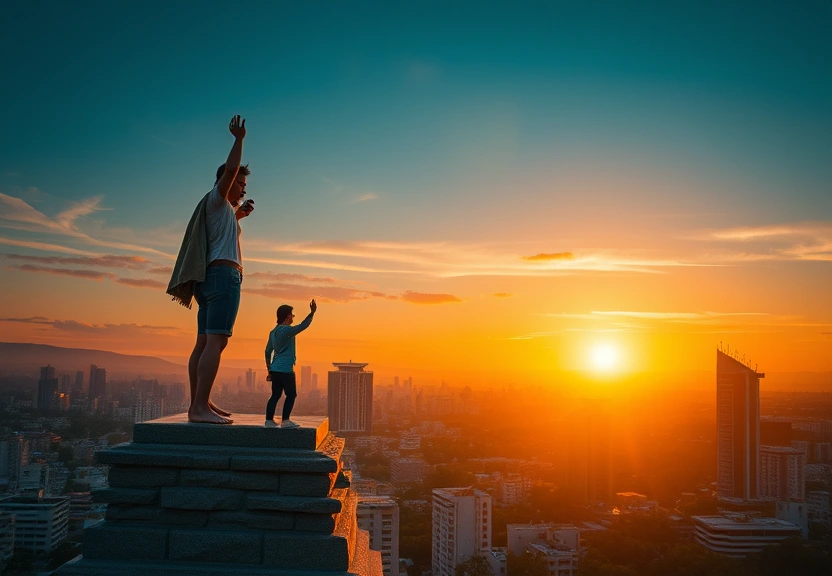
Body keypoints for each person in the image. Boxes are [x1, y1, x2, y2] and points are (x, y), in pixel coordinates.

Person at [167, 115, 254, 424]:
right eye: (240, 184)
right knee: (217, 341)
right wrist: (239, 139)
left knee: (204, 342)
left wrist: (239, 216)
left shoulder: (222, 210)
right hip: (223, 279)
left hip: (209, 280)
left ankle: (200, 402)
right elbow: (230, 170)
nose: (242, 189)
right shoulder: (216, 199)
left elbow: (220, 236)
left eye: (244, 186)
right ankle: (199, 408)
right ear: (225, 182)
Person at [264, 299, 317, 428]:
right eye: (292, 315)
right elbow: (302, 326)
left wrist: (269, 369)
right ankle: (286, 421)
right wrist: (312, 313)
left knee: (275, 395)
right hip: (286, 369)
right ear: (287, 316)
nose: (293, 317)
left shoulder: (273, 332)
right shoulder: (286, 330)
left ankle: (269, 421)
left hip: (275, 369)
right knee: (291, 394)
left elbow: (267, 351)